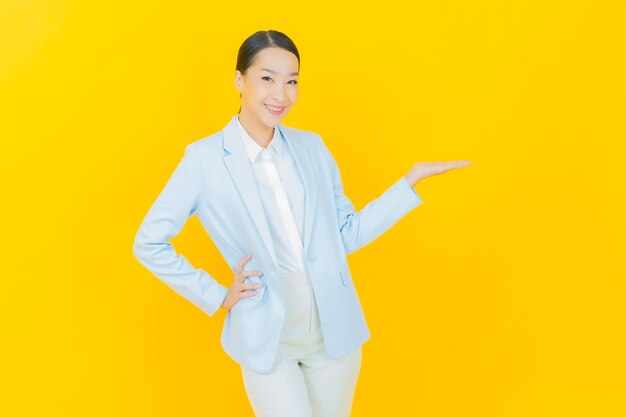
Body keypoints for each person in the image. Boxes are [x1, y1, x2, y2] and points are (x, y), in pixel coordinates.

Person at [133, 29, 471, 417]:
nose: (281, 94)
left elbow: (347, 234)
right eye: (267, 78)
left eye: (291, 82)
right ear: (239, 80)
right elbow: (149, 242)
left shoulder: (313, 148)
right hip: (266, 332)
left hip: (332, 328)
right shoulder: (204, 160)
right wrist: (215, 295)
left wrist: (408, 183)